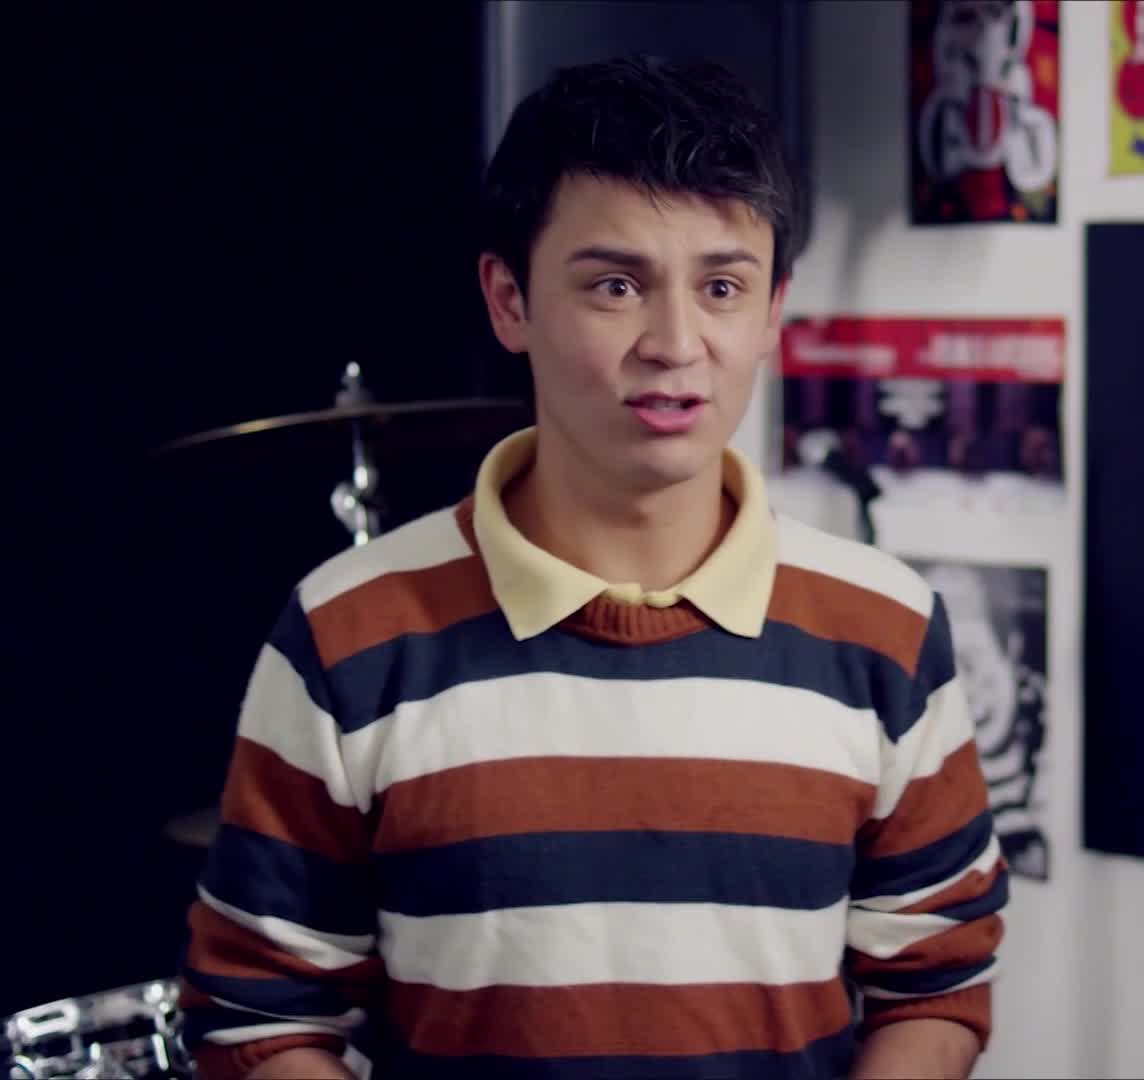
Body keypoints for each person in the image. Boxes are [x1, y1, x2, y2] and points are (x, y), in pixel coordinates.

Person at [177, 55, 1007, 1080]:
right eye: (616, 286)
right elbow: (258, 1015)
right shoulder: (346, 632)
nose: (675, 343)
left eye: (721, 287)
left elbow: (935, 987)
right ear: (509, 301)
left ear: (772, 312)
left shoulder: (885, 626)